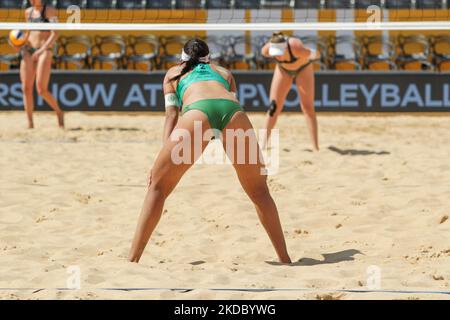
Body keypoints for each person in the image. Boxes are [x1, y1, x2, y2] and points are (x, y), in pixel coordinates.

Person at [129, 38, 291, 264]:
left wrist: (162, 158)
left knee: (157, 186)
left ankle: (133, 259)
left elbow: (171, 116)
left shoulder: (173, 73)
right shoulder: (224, 73)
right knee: (259, 191)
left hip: (197, 111)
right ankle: (285, 259)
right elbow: (224, 107)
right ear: (209, 58)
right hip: (233, 113)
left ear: (182, 57)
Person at [9, 0, 64, 129]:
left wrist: (42, 50)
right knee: (26, 88)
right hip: (29, 50)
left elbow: (55, 33)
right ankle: (30, 123)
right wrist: (19, 44)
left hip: (44, 50)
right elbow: (28, 33)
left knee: (41, 89)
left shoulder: (49, 10)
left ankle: (59, 112)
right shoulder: (28, 12)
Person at [261, 32, 320, 151]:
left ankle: (315, 147)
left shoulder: (295, 46)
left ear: (285, 48)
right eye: (275, 54)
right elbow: (267, 52)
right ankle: (262, 145)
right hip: (283, 70)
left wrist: (314, 54)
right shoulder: (266, 50)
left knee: (308, 107)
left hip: (303, 68)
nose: (277, 57)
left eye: (279, 54)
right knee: (273, 107)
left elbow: (315, 54)